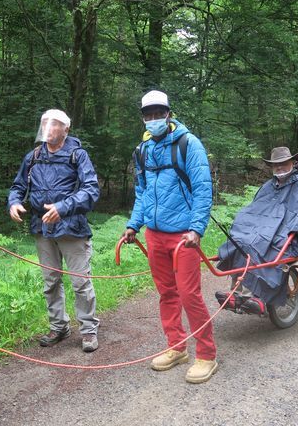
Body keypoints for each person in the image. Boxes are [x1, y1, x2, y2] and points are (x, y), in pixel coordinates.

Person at [121, 90, 217, 384]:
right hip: (154, 235)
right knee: (167, 293)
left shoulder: (189, 144)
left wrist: (196, 229)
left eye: (157, 114)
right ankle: (177, 347)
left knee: (190, 295)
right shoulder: (143, 150)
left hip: (183, 237)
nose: (153, 120)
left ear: (168, 113)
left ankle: (206, 354)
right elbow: (143, 193)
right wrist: (133, 225)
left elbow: (203, 190)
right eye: (147, 115)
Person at [7, 109, 100, 352]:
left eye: (54, 124)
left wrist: (63, 207)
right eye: (44, 123)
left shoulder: (78, 155)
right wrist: (14, 202)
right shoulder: (34, 156)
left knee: (81, 281)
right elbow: (18, 186)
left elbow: (91, 190)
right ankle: (59, 326)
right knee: (50, 281)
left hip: (72, 228)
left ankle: (88, 330)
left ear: (66, 129)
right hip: (42, 228)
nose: (48, 128)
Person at [215, 147, 298, 314]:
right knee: (239, 242)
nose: (279, 167)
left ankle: (255, 297)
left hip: (288, 235)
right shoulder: (268, 187)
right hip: (261, 231)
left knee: (260, 247)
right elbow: (254, 211)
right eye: (275, 165)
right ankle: (236, 293)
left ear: (293, 163)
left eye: (283, 163)